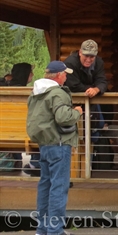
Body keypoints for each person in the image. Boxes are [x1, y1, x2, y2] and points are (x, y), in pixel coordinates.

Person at [27, 61, 83, 235]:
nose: (66, 76)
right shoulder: (58, 93)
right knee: (59, 187)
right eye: (65, 74)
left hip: (44, 144)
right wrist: (77, 112)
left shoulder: (36, 92)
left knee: (45, 186)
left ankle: (42, 229)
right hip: (59, 144)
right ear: (59, 75)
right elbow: (63, 117)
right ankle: (55, 230)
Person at [64, 39, 118, 170]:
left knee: (112, 131)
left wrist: (97, 89)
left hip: (93, 110)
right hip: (74, 107)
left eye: (92, 56)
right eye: (86, 56)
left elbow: (103, 81)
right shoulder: (70, 63)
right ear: (80, 53)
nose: (89, 59)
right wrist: (90, 89)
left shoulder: (99, 62)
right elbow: (73, 85)